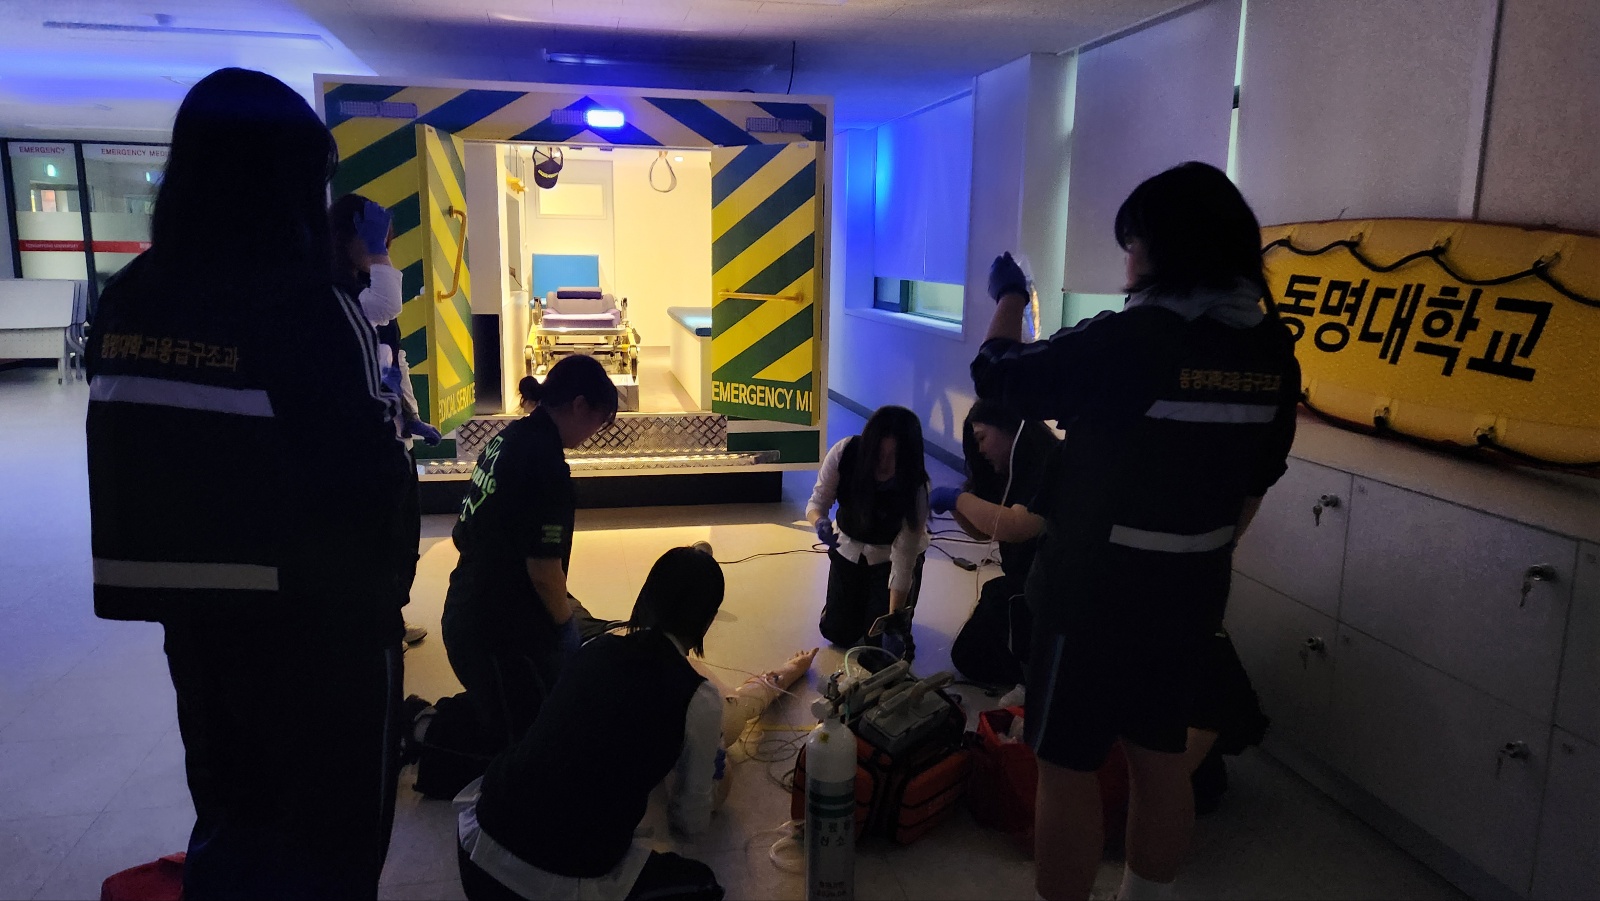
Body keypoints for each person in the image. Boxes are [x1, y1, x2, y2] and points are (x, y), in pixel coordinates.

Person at [85, 68, 411, 899]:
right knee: (335, 840)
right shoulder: (308, 305)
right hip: (324, 633)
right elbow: (368, 475)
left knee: (232, 809)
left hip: (199, 624)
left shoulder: (130, 301)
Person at [970, 162, 1301, 901]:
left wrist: (1010, 295)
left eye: (1132, 244)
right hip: (1190, 596)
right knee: (1159, 758)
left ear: (1164, 249)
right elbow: (1254, 486)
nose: (1126, 262)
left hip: (1091, 596)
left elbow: (998, 374)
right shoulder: (1271, 351)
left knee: (1066, 765)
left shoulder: (1134, 339)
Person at [455, 545, 730, 901]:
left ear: (646, 597)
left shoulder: (594, 649)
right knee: (703, 884)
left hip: (476, 847)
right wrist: (716, 784)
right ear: (708, 620)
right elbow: (690, 824)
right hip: (551, 881)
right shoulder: (699, 697)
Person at [439, 356, 618, 754]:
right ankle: (425, 730)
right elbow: (542, 571)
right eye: (599, 420)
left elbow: (468, 532)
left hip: (466, 607)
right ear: (579, 405)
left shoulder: (509, 438)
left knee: (508, 715)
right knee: (528, 745)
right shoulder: (547, 467)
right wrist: (565, 628)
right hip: (497, 638)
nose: (595, 433)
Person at [330, 193, 440, 646]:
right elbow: (384, 306)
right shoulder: (337, 293)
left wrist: (411, 417)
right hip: (367, 443)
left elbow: (396, 361)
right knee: (380, 541)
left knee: (403, 539)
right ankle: (376, 628)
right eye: (376, 240)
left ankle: (390, 617)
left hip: (395, 438)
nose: (383, 250)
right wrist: (379, 255)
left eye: (387, 242)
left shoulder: (359, 287)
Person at [934, 400, 1059, 690]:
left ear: (1011, 428)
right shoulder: (1007, 474)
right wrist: (956, 506)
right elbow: (984, 533)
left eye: (982, 438)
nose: (980, 449)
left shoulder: (1046, 466)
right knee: (967, 655)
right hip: (1021, 582)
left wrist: (957, 499)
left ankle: (1033, 682)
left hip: (1044, 591)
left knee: (981, 641)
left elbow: (1016, 526)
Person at [806, 405, 930, 660]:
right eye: (879, 455)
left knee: (878, 644)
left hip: (889, 559)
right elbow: (817, 502)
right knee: (837, 632)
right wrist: (819, 522)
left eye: (893, 458)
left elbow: (904, 557)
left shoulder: (916, 486)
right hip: (848, 549)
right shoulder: (845, 452)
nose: (884, 465)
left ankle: (891, 612)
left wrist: (894, 619)